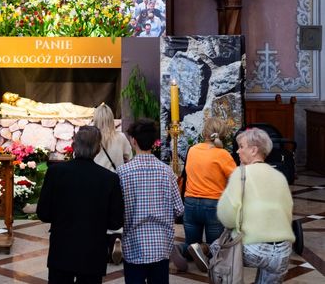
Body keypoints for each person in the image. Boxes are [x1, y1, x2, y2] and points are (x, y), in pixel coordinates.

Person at [189, 128, 295, 283]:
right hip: (283, 252)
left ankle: (211, 254)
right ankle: (210, 251)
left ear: (254, 150)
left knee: (224, 243)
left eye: (241, 146)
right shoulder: (279, 176)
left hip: (254, 250)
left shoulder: (242, 174)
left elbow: (226, 217)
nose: (238, 151)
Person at [37, 125, 124, 283]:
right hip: (93, 252)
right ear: (98, 149)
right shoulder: (109, 178)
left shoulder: (56, 172)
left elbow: (43, 213)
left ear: (73, 146)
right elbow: (115, 222)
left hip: (62, 249)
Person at [117, 119, 184, 283]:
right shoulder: (166, 171)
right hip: (161, 244)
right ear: (154, 142)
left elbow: (117, 211)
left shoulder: (122, 172)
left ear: (133, 141)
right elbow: (179, 208)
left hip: (133, 244)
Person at [173, 117, 236, 272]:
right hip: (213, 204)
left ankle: (180, 249)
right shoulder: (223, 155)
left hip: (190, 203)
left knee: (191, 244)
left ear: (204, 132)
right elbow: (236, 179)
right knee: (215, 246)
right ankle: (203, 251)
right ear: (223, 134)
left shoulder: (193, 150)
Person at [93, 103, 133, 264]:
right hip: (116, 181)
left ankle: (102, 249)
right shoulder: (121, 137)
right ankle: (116, 239)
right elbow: (129, 157)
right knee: (115, 214)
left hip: (96, 182)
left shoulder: (92, 138)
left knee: (98, 215)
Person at [0, 92, 95, 118]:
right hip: (44, 109)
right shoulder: (20, 103)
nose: (12, 95)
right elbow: (35, 110)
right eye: (10, 97)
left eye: (10, 93)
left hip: (44, 106)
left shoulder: (20, 99)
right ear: (11, 102)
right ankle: (92, 111)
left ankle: (92, 111)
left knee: (68, 106)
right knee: (68, 106)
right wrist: (49, 113)